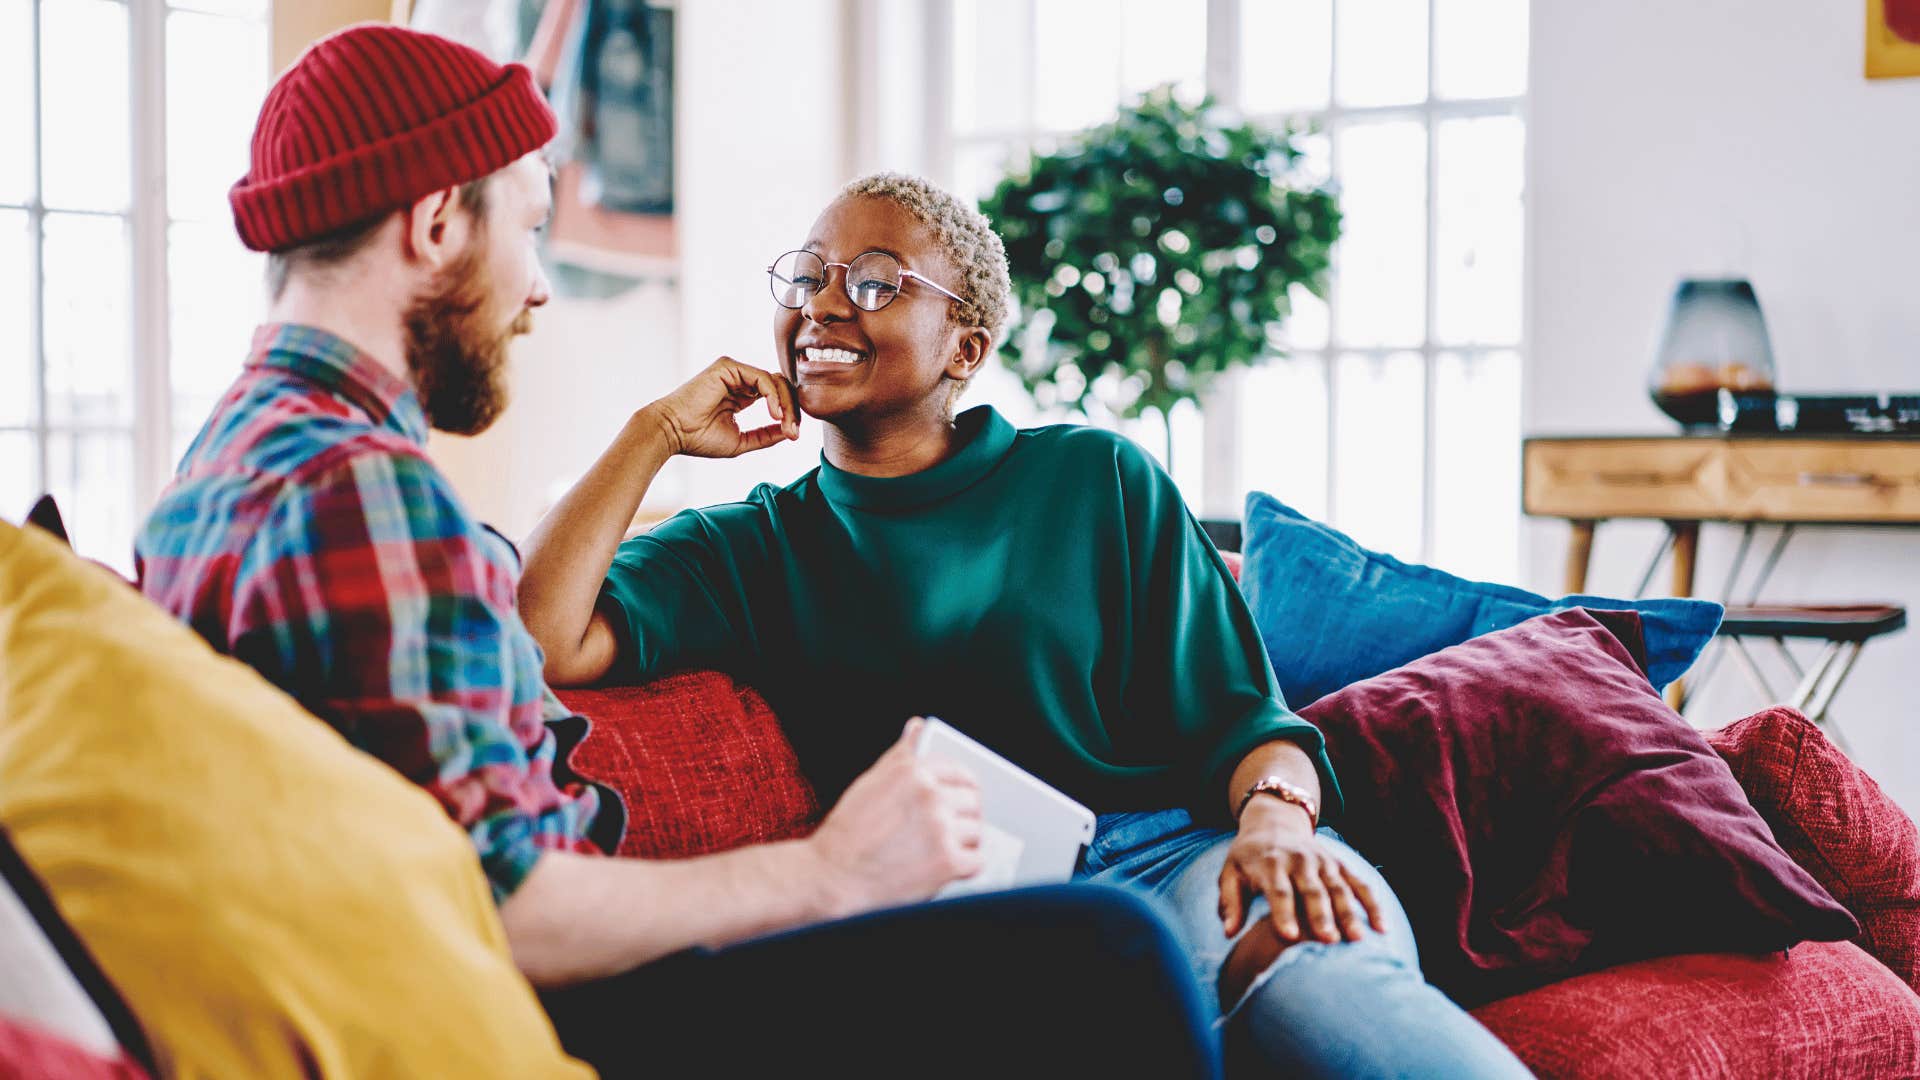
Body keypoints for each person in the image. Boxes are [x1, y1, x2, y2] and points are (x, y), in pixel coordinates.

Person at [134, 24, 1221, 1078]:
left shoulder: (217, 464)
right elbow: (502, 905)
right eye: (529, 227)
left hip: (485, 969)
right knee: (1111, 953)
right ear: (432, 224)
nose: (541, 284)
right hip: (558, 1001)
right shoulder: (365, 490)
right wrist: (828, 870)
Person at [519, 170, 1537, 1078]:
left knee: (1305, 969)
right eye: (808, 278)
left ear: (967, 343)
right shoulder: (751, 548)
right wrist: (651, 434)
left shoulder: (1096, 480)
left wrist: (1276, 821)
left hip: (1184, 855)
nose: (824, 304)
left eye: (873, 282)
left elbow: (1250, 719)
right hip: (981, 912)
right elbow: (543, 640)